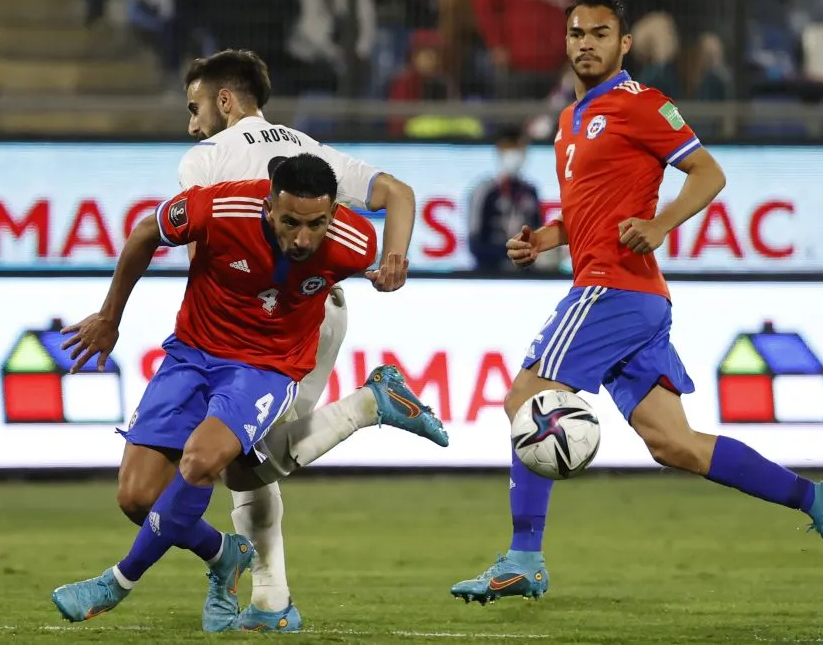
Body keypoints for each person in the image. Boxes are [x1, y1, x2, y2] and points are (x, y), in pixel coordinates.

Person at [450, 0, 823, 606]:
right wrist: (549, 237)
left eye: (600, 34)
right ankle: (818, 499)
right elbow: (589, 212)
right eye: (577, 33)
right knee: (675, 444)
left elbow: (709, 173)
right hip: (632, 297)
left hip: (612, 289)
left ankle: (524, 558)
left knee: (526, 398)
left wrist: (663, 223)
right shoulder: (569, 120)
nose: (586, 43)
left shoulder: (641, 103)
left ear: (625, 44)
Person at [115, 49, 447, 633]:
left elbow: (202, 251)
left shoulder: (207, 158)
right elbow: (397, 191)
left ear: (224, 101)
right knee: (240, 461)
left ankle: (368, 406)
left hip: (265, 324)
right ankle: (270, 602)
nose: (192, 124)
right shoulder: (309, 151)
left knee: (247, 461)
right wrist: (396, 257)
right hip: (322, 310)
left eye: (195, 108)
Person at [51, 154, 380, 630]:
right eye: (291, 222)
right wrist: (109, 318)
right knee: (137, 499)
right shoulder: (218, 208)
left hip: (265, 368)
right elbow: (144, 233)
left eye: (317, 224)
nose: (303, 239)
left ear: (333, 214)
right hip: (192, 354)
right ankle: (224, 554)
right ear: (269, 206)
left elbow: (396, 194)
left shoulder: (356, 242)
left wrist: (395, 257)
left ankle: (117, 581)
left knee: (202, 460)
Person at [467, 126, 544, 273]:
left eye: (520, 149)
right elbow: (475, 242)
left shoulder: (530, 191)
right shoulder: (484, 192)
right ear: (499, 151)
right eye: (510, 149)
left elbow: (539, 233)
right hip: (489, 272)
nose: (515, 155)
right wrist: (508, 254)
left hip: (525, 274)